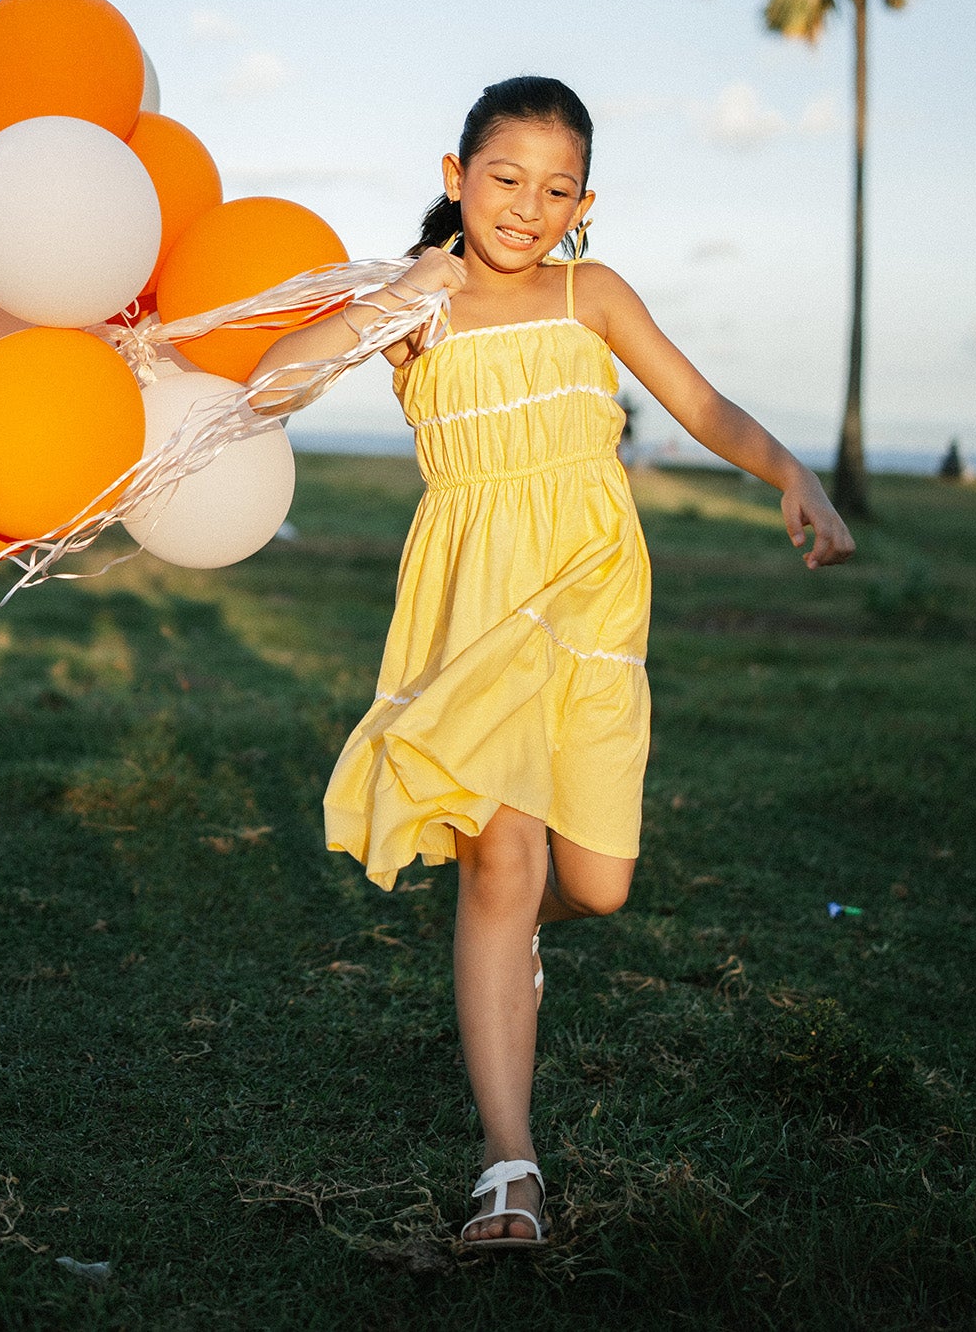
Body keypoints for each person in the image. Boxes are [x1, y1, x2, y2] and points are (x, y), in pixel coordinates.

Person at [247, 77, 855, 1249]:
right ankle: (509, 1168)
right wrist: (403, 294)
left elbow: (702, 403)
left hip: (588, 612)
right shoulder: (416, 305)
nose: (527, 207)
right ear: (454, 176)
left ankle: (514, 929)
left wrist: (795, 477)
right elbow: (273, 385)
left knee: (602, 882)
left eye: (556, 187)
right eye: (504, 178)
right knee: (500, 859)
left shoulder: (593, 293)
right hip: (474, 615)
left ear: (586, 202)